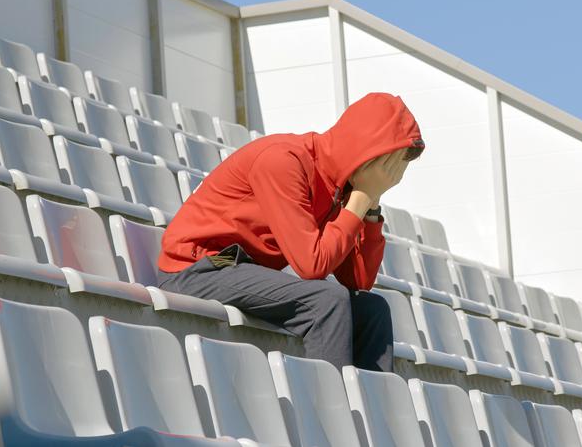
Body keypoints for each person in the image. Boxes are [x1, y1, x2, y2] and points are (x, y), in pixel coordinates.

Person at [157, 92, 425, 372]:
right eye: (389, 164)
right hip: (202, 265)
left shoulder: (340, 186)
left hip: (244, 268)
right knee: (326, 301)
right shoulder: (284, 161)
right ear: (364, 149)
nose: (393, 175)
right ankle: (330, 412)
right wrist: (361, 197)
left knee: (373, 310)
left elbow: (357, 281)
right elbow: (312, 266)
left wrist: (370, 207)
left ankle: (371, 412)